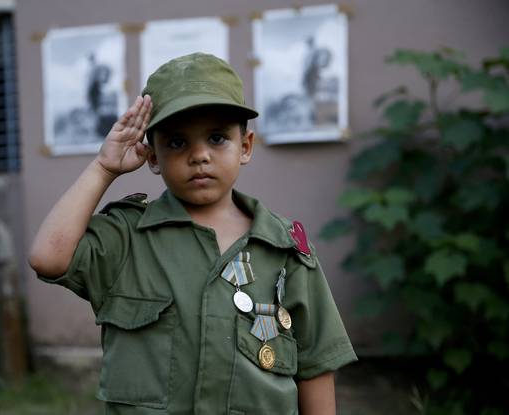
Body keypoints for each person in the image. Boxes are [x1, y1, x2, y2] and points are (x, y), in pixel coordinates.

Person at [29, 52, 357, 414]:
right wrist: (104, 168)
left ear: (245, 147)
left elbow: (315, 364)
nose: (199, 155)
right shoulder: (127, 237)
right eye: (176, 142)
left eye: (217, 138)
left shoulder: (283, 248)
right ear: (152, 156)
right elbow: (48, 257)